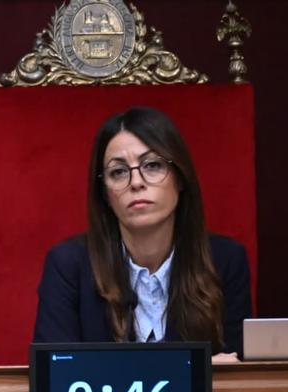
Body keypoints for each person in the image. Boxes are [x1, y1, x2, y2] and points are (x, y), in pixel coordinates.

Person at [33, 107, 251, 358]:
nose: (136, 182)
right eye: (118, 172)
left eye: (152, 165)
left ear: (180, 178)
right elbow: (53, 375)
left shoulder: (225, 260)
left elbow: (237, 372)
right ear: (105, 193)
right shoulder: (68, 265)